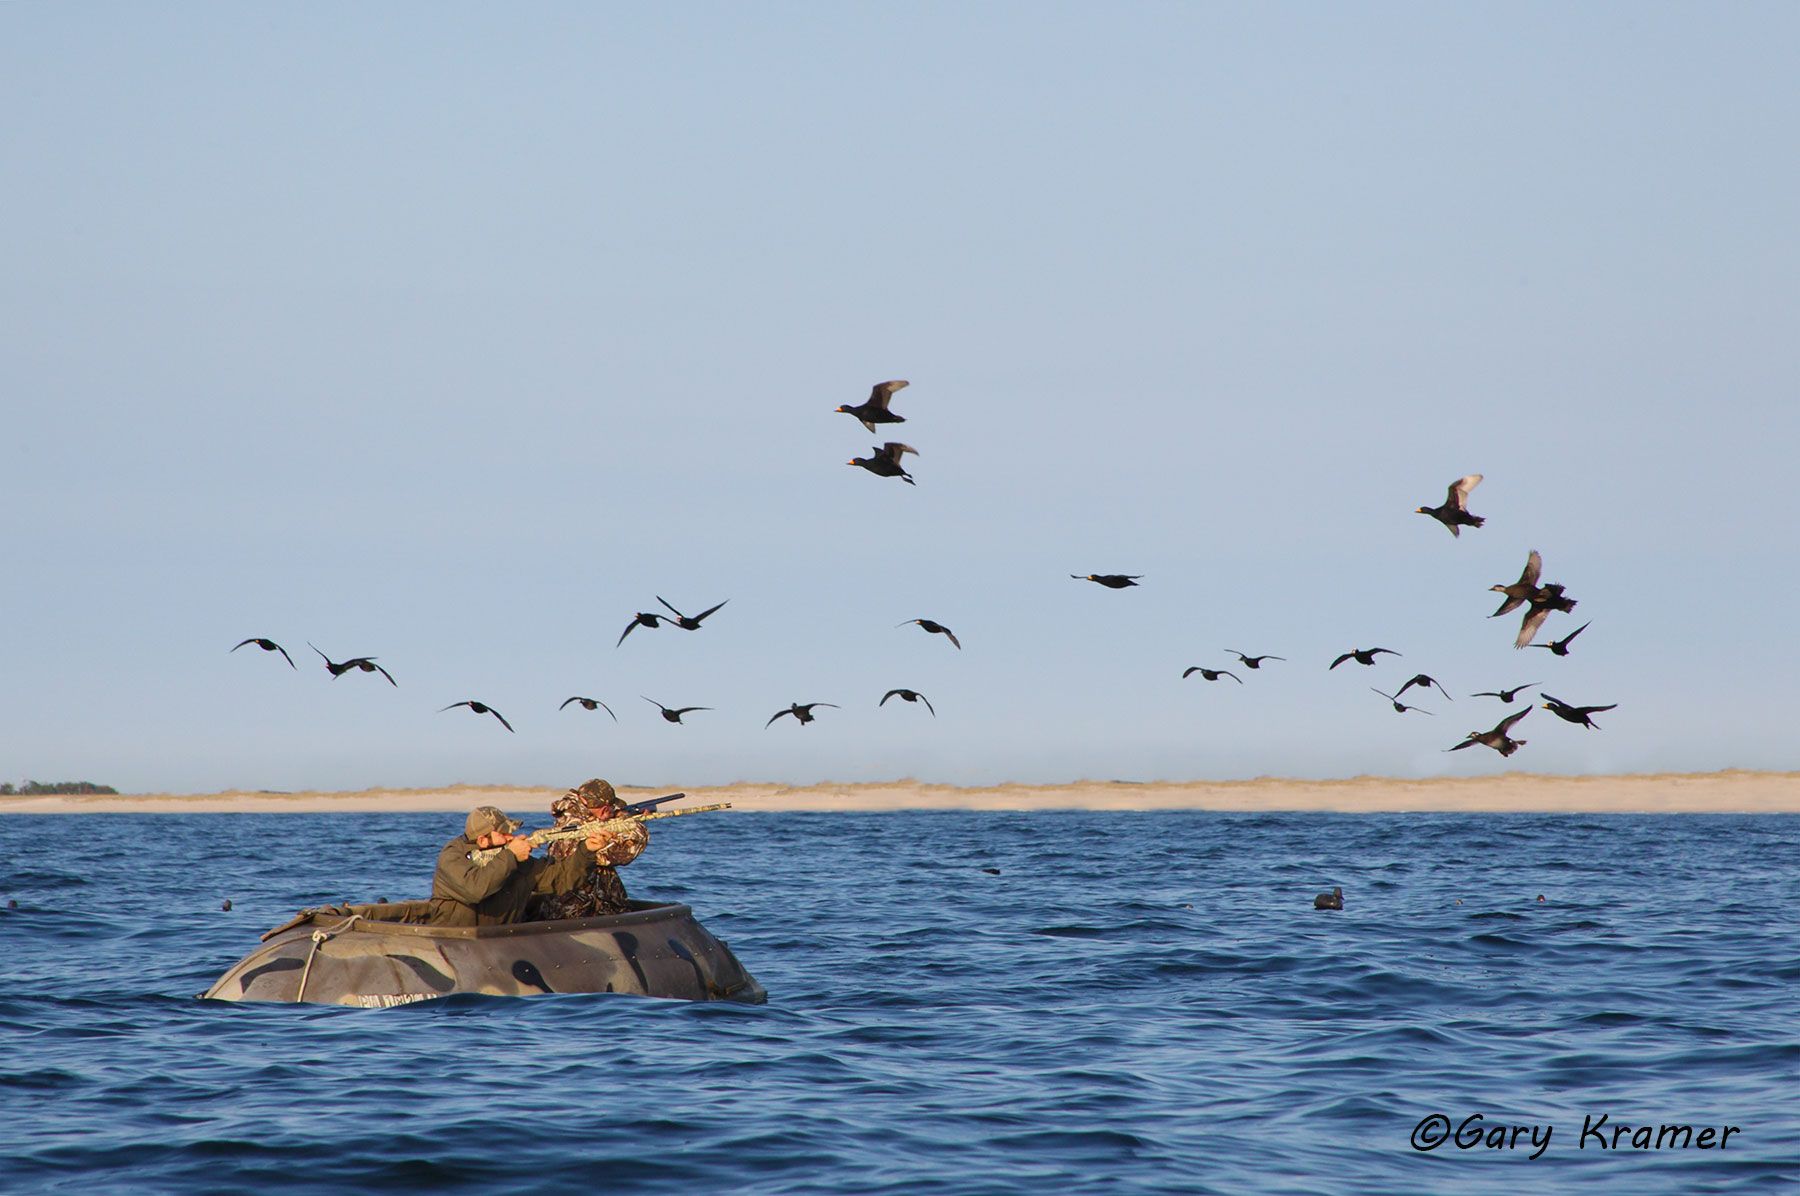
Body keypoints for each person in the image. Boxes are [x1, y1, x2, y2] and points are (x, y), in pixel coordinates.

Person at [427, 804, 600, 927]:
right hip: (452, 942)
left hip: (500, 942)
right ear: (482, 840)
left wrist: (586, 850)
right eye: (503, 834)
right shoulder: (452, 858)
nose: (510, 837)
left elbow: (561, 878)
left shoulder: (511, 859)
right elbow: (476, 889)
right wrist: (510, 855)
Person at [531, 779, 649, 921]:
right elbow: (616, 854)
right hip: (574, 909)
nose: (609, 811)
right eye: (605, 808)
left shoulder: (581, 816)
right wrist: (633, 824)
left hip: (595, 902)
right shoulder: (574, 824)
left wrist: (623, 819)